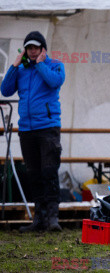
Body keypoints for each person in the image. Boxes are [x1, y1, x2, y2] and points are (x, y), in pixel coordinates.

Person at [1, 31, 65, 232]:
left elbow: (55, 82)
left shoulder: (55, 65)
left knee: (49, 172)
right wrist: (14, 65)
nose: (32, 50)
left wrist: (40, 64)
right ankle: (39, 219)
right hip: (27, 130)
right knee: (33, 174)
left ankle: (53, 219)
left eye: (36, 47)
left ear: (43, 49)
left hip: (48, 128)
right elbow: (5, 90)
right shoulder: (20, 69)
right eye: (29, 47)